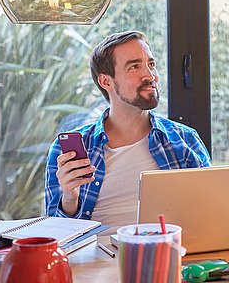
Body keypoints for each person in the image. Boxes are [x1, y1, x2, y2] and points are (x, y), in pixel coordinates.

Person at [45, 31, 211, 231]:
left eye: (151, 64)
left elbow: (210, 213)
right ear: (106, 81)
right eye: (134, 67)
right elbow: (55, 231)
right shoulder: (70, 150)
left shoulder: (184, 140)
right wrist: (69, 198)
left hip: (167, 252)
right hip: (97, 258)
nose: (150, 76)